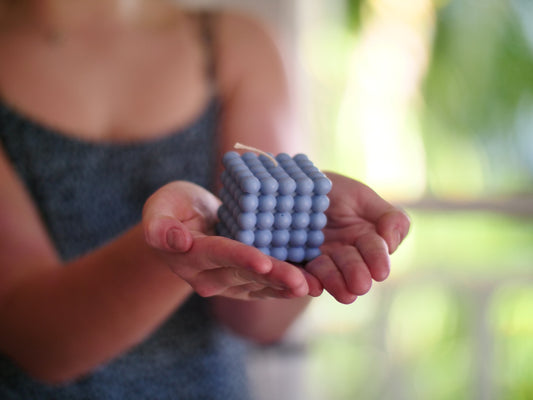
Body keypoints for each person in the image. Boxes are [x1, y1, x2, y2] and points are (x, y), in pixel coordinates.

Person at [0, 0, 410, 398]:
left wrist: (294, 245)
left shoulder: (236, 45)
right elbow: (33, 341)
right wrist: (172, 248)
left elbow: (256, 318)